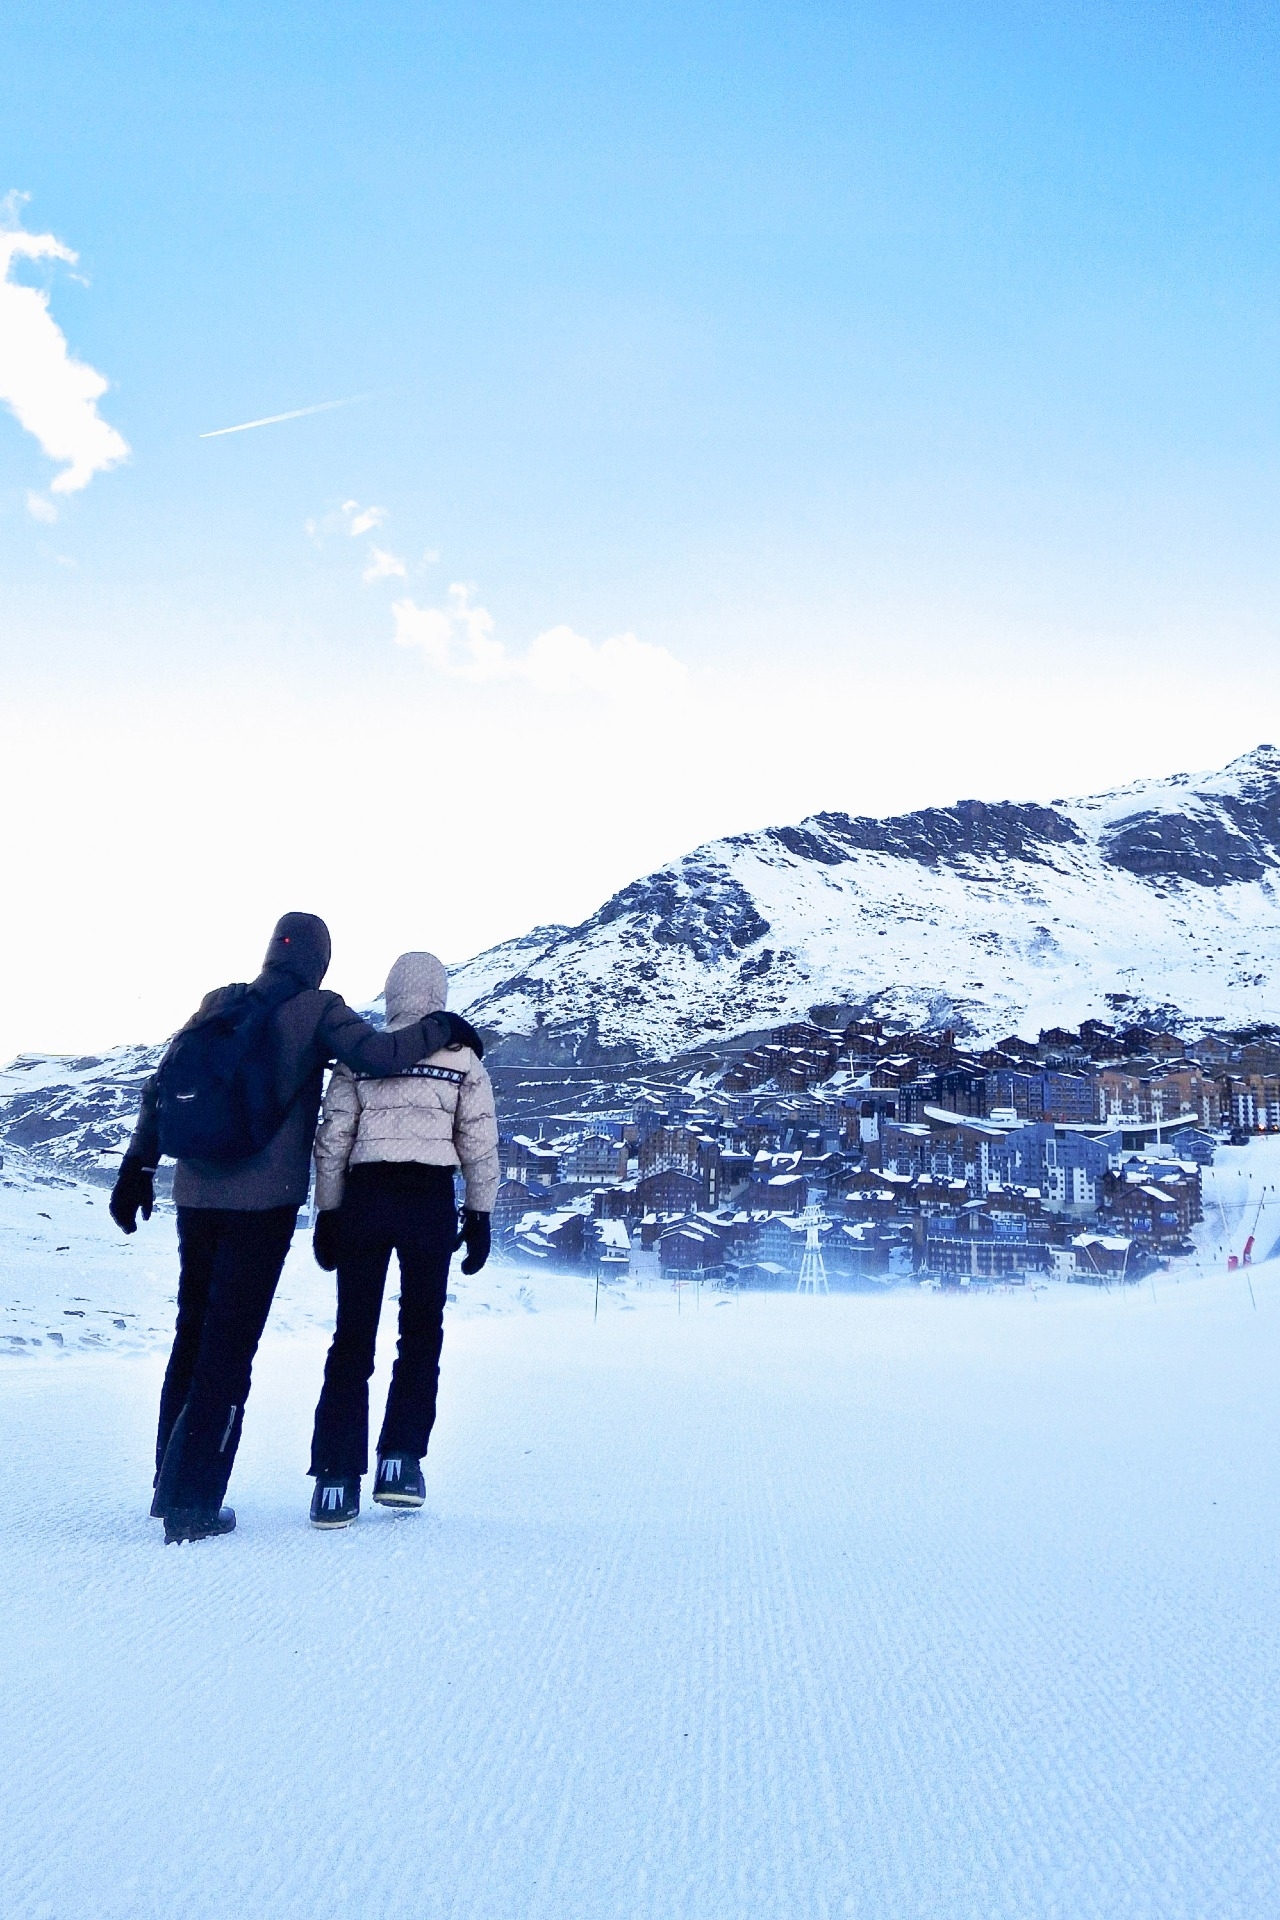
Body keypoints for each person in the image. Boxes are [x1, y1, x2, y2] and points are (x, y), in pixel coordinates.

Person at [110, 913, 483, 1545]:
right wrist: (442, 1027)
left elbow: (163, 1084)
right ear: (319, 961)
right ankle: (194, 1504)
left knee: (192, 1332)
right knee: (229, 1349)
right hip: (264, 1204)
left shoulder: (221, 1002)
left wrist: (138, 1164)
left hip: (196, 1194)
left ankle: (167, 1483)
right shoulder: (318, 1010)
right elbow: (380, 1055)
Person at [308, 950, 499, 1529]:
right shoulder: (462, 1057)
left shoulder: (360, 1053)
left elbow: (334, 1137)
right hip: (428, 1200)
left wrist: (329, 1212)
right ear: (438, 994)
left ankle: (336, 1482)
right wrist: (480, 1214)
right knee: (420, 1334)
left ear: (391, 993)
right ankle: (400, 1462)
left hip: (366, 1196)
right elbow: (479, 1142)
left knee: (351, 1338)